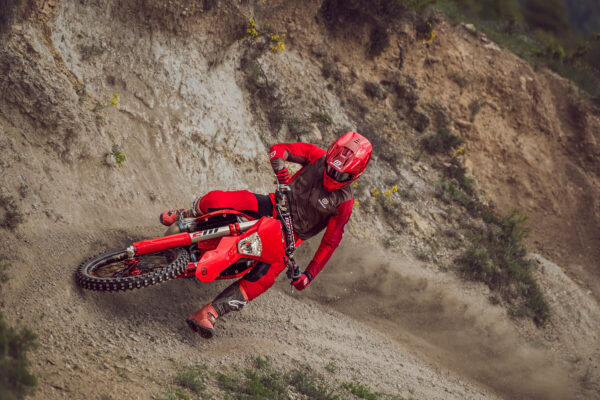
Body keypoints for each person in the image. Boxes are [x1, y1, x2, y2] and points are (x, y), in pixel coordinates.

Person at [159, 131, 372, 338]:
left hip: (290, 235)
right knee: (219, 200)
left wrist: (308, 276)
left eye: (341, 174)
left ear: (355, 175)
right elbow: (278, 150)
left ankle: (210, 313)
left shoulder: (344, 203)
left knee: (264, 279)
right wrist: (280, 168)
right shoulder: (317, 156)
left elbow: (329, 244)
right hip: (272, 205)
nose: (332, 175)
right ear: (330, 155)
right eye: (330, 168)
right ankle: (187, 214)